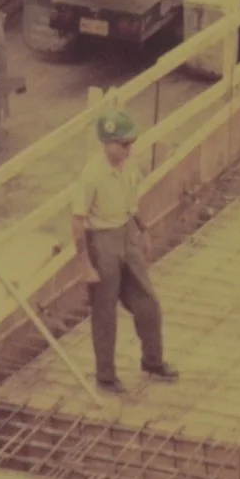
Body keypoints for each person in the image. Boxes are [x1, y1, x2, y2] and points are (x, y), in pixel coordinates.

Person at [73, 109, 177, 393]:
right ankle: (106, 376)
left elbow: (131, 203)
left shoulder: (128, 167)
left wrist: (143, 229)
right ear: (107, 143)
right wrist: (85, 264)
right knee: (105, 311)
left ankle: (153, 361)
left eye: (131, 142)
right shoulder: (92, 175)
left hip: (126, 233)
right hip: (101, 241)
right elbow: (77, 221)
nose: (129, 148)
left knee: (148, 302)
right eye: (123, 144)